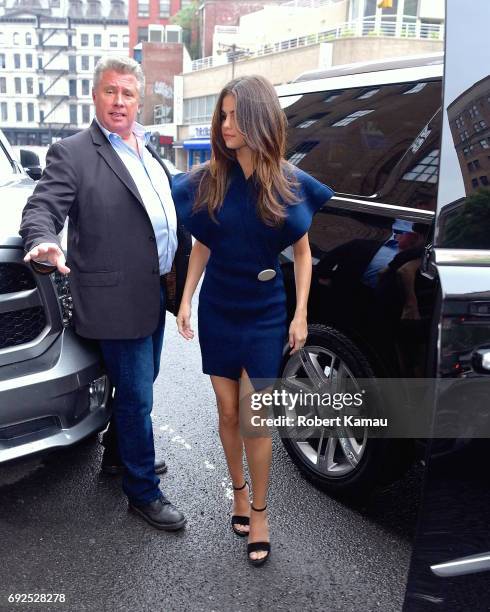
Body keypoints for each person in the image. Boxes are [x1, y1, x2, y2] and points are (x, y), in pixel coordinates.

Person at [19, 56, 191, 531]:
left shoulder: (147, 149)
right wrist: (42, 241)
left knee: (143, 381)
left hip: (156, 290)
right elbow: (42, 208)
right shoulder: (73, 151)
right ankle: (142, 492)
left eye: (128, 93)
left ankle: (119, 455)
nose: (119, 101)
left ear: (139, 100)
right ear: (95, 95)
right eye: (110, 91)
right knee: (137, 397)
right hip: (114, 297)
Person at [172, 75, 333, 565]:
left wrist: (301, 313)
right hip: (220, 304)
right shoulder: (208, 180)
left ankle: (260, 511)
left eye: (236, 116)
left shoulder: (289, 182)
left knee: (255, 418)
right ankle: (238, 491)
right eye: (222, 115)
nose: (225, 125)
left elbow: (303, 255)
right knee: (226, 412)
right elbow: (203, 245)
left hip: (265, 310)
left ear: (260, 119)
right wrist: (185, 299)